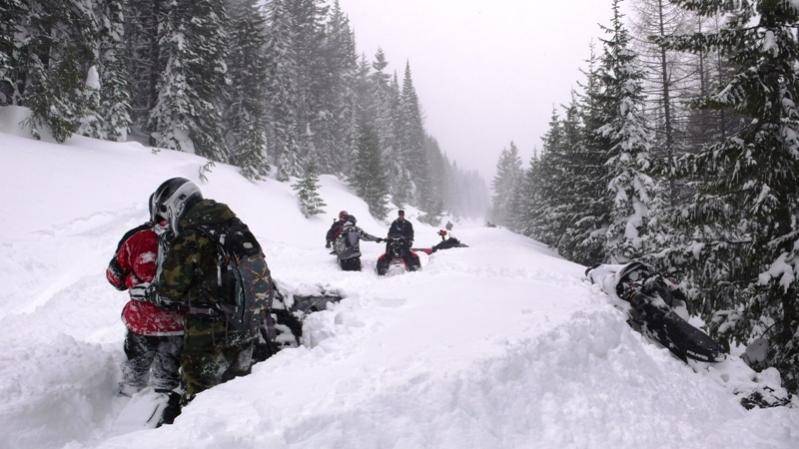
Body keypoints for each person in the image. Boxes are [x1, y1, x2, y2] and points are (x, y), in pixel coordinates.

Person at [144, 177, 273, 423]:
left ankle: (196, 437)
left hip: (209, 330)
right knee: (237, 390)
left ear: (174, 205)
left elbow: (169, 289)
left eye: (164, 216)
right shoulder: (230, 224)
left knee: (199, 393)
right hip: (247, 321)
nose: (166, 224)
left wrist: (151, 292)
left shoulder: (192, 235)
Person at [106, 196, 184, 399]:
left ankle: (127, 405)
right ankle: (158, 416)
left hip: (141, 323)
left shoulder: (135, 238)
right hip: (178, 324)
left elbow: (115, 278)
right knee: (166, 383)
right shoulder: (192, 239)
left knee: (134, 376)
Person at [378, 210, 420, 274]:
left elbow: (411, 233)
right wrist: (389, 237)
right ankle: (384, 265)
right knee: (389, 248)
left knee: (406, 252)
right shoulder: (394, 223)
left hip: (404, 240)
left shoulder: (408, 224)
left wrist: (409, 239)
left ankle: (411, 265)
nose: (401, 216)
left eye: (402, 215)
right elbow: (390, 232)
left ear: (404, 215)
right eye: (400, 215)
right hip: (394, 240)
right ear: (398, 215)